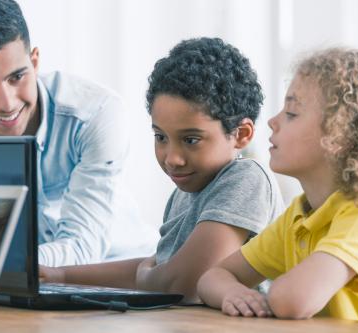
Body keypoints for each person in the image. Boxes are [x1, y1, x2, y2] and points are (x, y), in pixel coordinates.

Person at [0, 0, 157, 287]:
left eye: (17, 77)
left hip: (117, 280)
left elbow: (83, 249)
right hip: (11, 287)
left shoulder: (97, 113)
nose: (7, 103)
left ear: (35, 62)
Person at [40, 37, 285, 303]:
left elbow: (183, 285)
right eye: (161, 137)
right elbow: (155, 269)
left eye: (191, 140)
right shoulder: (185, 192)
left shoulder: (246, 179)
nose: (172, 158)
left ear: (241, 134)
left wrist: (150, 274)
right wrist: (60, 275)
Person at [197, 48, 358, 324]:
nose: (273, 122)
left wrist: (271, 293)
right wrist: (233, 292)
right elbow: (212, 277)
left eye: (292, 113)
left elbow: (293, 301)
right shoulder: (300, 215)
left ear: (340, 136)